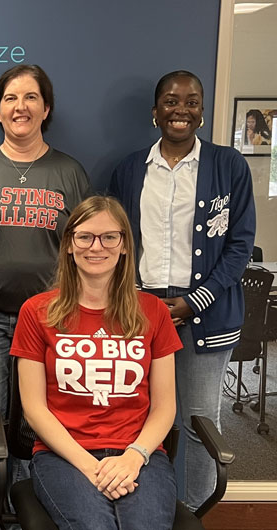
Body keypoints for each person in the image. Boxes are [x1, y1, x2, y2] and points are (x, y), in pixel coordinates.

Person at [0, 64, 92, 519]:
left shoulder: (69, 172)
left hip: (52, 321)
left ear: (45, 109)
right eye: (11, 98)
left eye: (30, 98)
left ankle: (34, 514)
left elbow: (85, 248)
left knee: (38, 423)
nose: (20, 107)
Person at [109, 70, 255, 512]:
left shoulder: (229, 166)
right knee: (135, 419)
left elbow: (241, 242)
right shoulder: (131, 169)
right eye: (171, 102)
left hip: (207, 314)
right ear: (155, 113)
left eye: (192, 102)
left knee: (198, 421)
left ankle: (189, 515)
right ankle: (141, 509)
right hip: (140, 309)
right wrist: (138, 298)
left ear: (203, 112)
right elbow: (118, 240)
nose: (181, 110)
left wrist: (196, 301)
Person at [11, 196, 181, 529]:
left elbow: (164, 407)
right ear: (70, 245)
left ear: (124, 246)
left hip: (139, 453)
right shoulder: (36, 311)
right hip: (63, 455)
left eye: (109, 237)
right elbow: (34, 409)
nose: (96, 247)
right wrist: (91, 466)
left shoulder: (154, 312)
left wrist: (134, 456)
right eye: (85, 237)